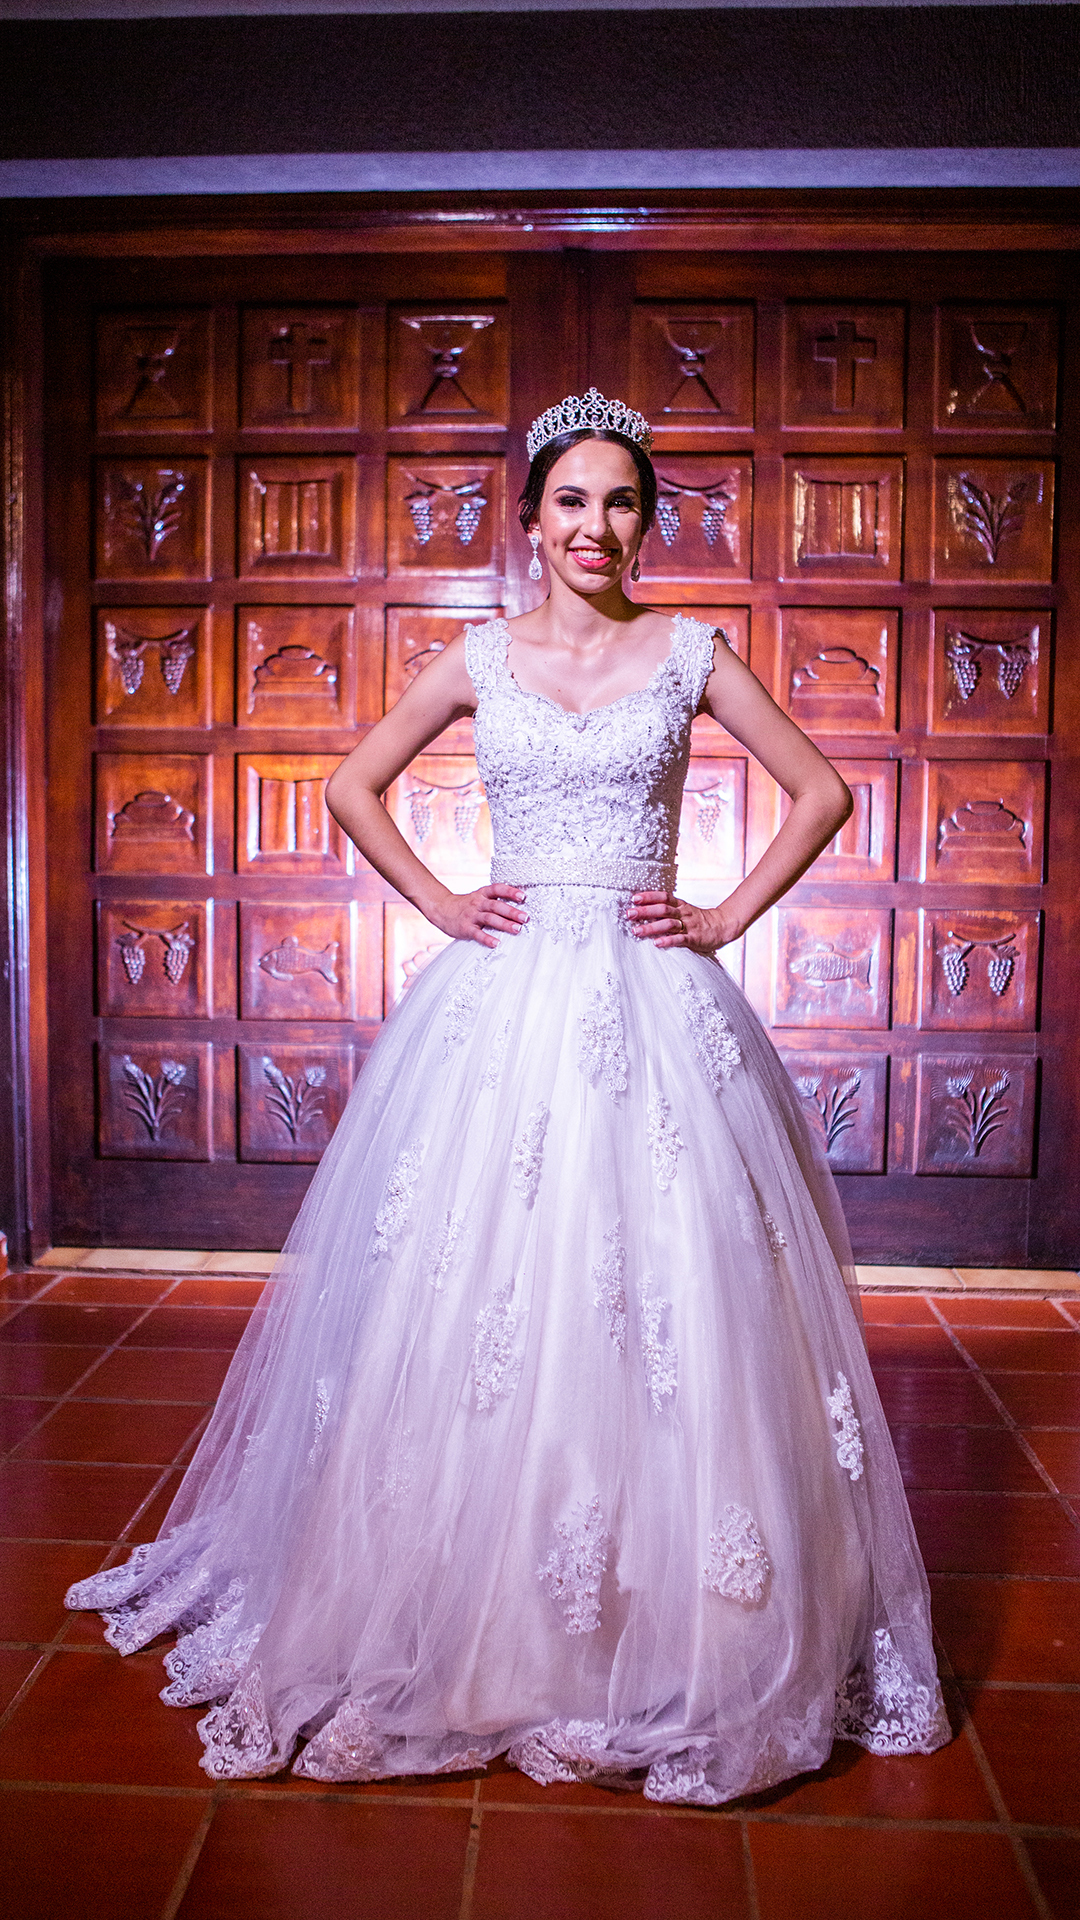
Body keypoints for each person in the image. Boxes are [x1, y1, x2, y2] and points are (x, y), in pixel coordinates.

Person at [67, 388, 948, 1803]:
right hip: (508, 996)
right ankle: (477, 1612)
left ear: (645, 522)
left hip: (655, 1004)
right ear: (532, 520)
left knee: (673, 1290)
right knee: (484, 1285)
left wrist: (724, 917)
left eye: (623, 502)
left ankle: (681, 1619)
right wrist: (440, 901)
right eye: (573, 501)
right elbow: (354, 786)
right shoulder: (479, 656)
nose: (598, 526)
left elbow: (821, 791)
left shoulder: (689, 651)